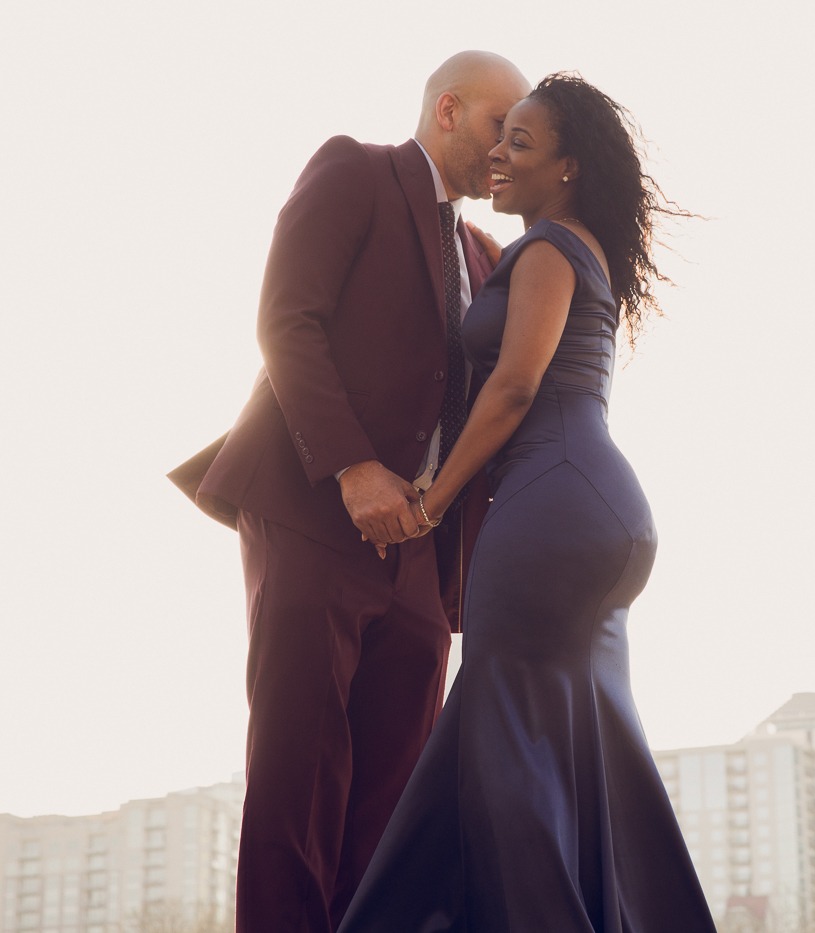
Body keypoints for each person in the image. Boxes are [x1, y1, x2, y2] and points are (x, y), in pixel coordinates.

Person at [336, 73, 716, 931]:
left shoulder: (546, 247)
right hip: (595, 512)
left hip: (550, 506)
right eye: (498, 138)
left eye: (521, 143)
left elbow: (510, 389)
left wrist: (429, 500)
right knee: (585, 753)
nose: (499, 155)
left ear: (569, 167)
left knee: (505, 748)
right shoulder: (578, 247)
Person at [166, 52, 532, 933]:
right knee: (299, 772)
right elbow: (286, 317)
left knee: (395, 796)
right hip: (311, 509)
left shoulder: (486, 253)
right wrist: (351, 468)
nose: (507, 155)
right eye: (499, 129)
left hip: (422, 547)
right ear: (448, 109)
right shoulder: (355, 170)